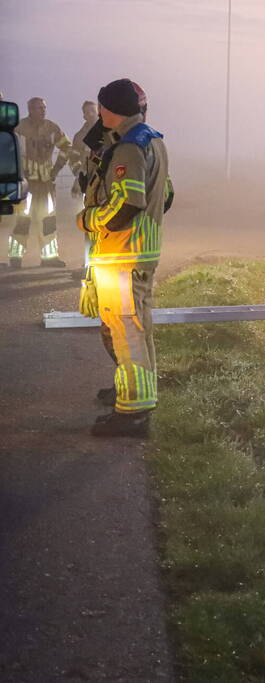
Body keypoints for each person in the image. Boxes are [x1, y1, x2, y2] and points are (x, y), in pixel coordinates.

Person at [76, 79, 173, 437]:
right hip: (138, 254)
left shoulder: (129, 149)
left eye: (102, 108)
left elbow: (127, 204)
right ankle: (135, 395)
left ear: (108, 109)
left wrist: (89, 219)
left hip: (123, 256)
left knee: (126, 335)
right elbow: (165, 196)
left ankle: (132, 413)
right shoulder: (153, 140)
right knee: (137, 330)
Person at [9, 96, 72, 268]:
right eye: (39, 108)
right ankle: (15, 258)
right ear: (30, 109)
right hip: (26, 184)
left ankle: (49, 258)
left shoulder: (52, 127)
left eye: (44, 107)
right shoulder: (19, 128)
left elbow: (67, 147)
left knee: (48, 221)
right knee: (22, 220)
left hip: (46, 184)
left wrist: (57, 169)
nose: (43, 110)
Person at [68, 101, 102, 279]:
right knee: (89, 223)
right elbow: (73, 158)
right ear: (83, 115)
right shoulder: (79, 136)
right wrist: (77, 176)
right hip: (87, 184)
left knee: (104, 222)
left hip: (104, 185)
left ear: (98, 112)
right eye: (86, 112)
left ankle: (101, 260)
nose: (89, 114)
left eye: (92, 111)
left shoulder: (107, 131)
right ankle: (89, 262)